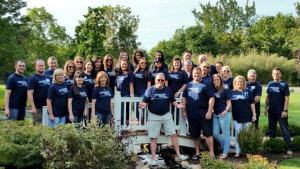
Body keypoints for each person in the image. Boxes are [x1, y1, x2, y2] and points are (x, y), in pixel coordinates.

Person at [138, 73, 187, 166]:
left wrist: (177, 105)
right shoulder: (150, 90)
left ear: (164, 81)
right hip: (154, 116)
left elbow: (173, 100)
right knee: (153, 138)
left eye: (162, 80)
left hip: (166, 115)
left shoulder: (168, 90)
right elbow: (145, 101)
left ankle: (179, 155)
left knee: (174, 134)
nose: (160, 82)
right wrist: (142, 105)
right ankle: (153, 159)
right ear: (155, 80)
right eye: (158, 80)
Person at [181, 67, 215, 160]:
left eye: (198, 73)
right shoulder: (189, 85)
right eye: (195, 73)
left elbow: (212, 98)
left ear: (201, 74)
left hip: (204, 114)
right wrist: (183, 111)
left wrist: (209, 111)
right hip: (192, 115)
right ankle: (197, 153)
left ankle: (212, 154)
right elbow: (184, 98)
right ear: (192, 74)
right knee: (195, 135)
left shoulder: (206, 84)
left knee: (208, 134)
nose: (196, 75)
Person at [264, 67, 293, 155]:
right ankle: (272, 147)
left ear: (280, 74)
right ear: (272, 75)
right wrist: (265, 108)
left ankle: (289, 147)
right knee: (271, 130)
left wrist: (285, 110)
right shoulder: (269, 84)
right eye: (274, 74)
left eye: (277, 73)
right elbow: (268, 97)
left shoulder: (284, 85)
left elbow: (287, 98)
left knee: (284, 130)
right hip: (271, 111)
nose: (276, 75)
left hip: (281, 112)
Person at [230, 75, 256, 157]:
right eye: (238, 82)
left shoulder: (248, 91)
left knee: (246, 133)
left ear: (244, 83)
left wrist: (254, 114)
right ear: (235, 83)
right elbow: (229, 104)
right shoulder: (231, 92)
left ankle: (246, 151)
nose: (240, 83)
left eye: (241, 82)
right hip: (236, 116)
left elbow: (252, 103)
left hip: (247, 116)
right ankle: (238, 151)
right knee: (238, 133)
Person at [211, 74, 231, 159]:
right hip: (215, 114)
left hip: (224, 114)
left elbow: (229, 102)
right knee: (215, 133)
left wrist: (225, 111)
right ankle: (225, 147)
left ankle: (225, 152)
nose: (216, 81)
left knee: (225, 134)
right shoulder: (212, 90)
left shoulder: (225, 90)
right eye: (214, 80)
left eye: (217, 80)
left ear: (221, 81)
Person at [27, 59, 51, 124]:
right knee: (38, 127)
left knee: (48, 127)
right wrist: (33, 107)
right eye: (39, 65)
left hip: (48, 107)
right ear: (35, 66)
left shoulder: (48, 77)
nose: (41, 67)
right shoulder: (32, 78)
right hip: (38, 108)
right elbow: (30, 93)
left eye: (42, 65)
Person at [116, 60, 134, 125]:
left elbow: (131, 84)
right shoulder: (118, 74)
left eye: (125, 64)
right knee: (119, 109)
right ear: (120, 65)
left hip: (126, 94)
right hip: (119, 94)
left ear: (127, 65)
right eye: (123, 64)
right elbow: (117, 85)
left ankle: (123, 125)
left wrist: (131, 94)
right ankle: (121, 124)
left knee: (123, 108)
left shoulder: (129, 73)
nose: (124, 65)